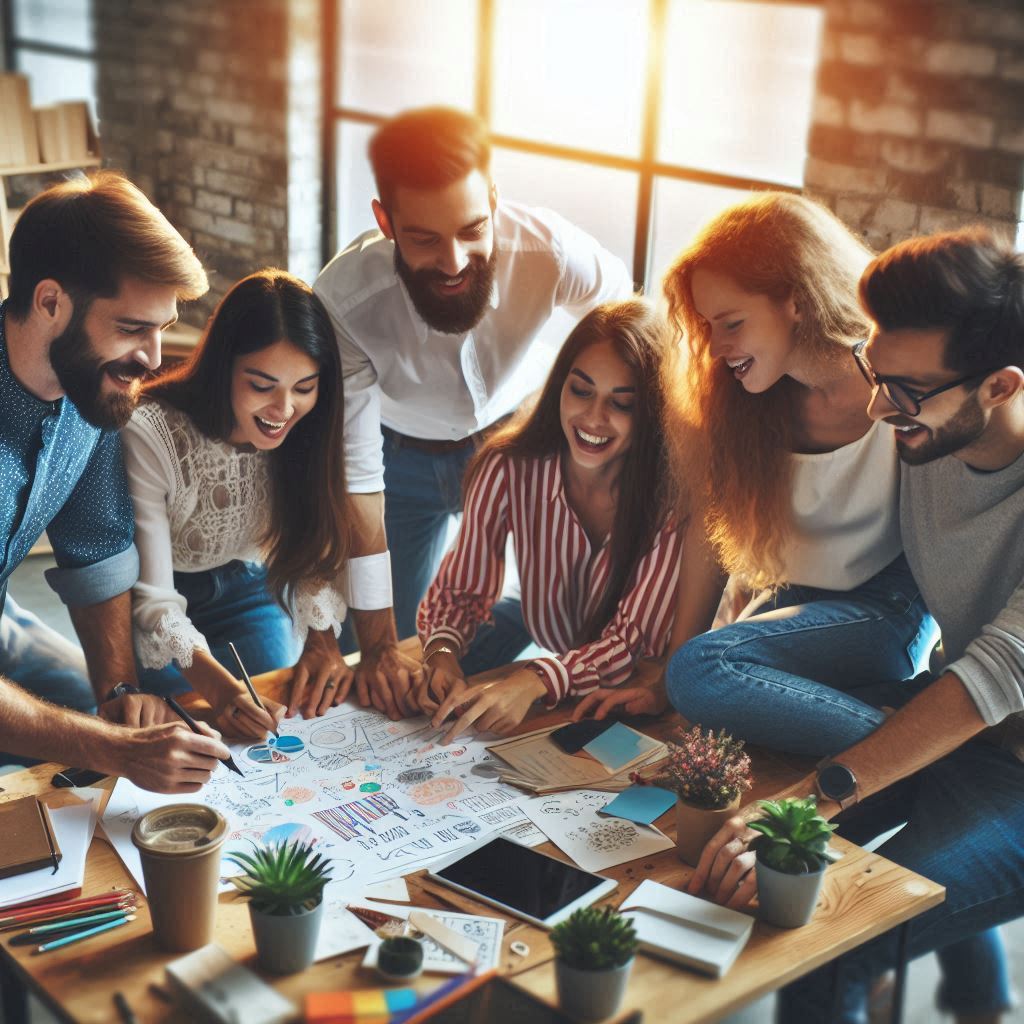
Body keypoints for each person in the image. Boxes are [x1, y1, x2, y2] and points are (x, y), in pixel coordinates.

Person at [688, 227, 1024, 1024]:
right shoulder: (928, 429)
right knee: (759, 874)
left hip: (1010, 765)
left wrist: (815, 797)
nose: (878, 406)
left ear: (1001, 387)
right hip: (955, 726)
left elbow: (994, 674)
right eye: (876, 372)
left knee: (831, 933)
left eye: (903, 392)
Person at [577, 193, 936, 738]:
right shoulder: (738, 400)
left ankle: (920, 752)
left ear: (795, 300)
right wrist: (666, 681)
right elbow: (709, 538)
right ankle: (881, 720)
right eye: (707, 326)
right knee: (701, 698)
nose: (717, 348)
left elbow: (954, 530)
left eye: (732, 323)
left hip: (888, 606)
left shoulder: (896, 379)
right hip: (793, 599)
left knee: (705, 676)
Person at [314, 106, 633, 719]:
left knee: (568, 617)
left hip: (525, 442)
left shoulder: (551, 250)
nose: (455, 261)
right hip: (396, 461)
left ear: (493, 197)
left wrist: (603, 424)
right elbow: (356, 472)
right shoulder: (343, 300)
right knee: (382, 663)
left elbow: (631, 325)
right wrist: (380, 646)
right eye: (425, 239)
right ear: (385, 222)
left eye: (470, 229)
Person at [0, 170, 229, 790]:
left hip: (5, 620)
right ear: (51, 302)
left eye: (162, 327)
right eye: (133, 328)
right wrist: (117, 751)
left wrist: (118, 691)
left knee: (91, 716)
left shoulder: (91, 390)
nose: (154, 358)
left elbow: (97, 549)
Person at [412, 299, 682, 740]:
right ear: (560, 385)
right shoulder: (506, 465)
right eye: (581, 390)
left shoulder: (670, 495)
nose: (594, 418)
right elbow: (460, 590)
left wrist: (533, 681)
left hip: (645, 673)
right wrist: (440, 652)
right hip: (548, 624)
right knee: (423, 688)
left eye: (622, 403)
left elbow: (631, 644)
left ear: (651, 412)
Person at [124, 271, 358, 733]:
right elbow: (153, 602)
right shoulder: (152, 433)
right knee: (182, 729)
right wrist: (222, 692)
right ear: (223, 365)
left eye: (304, 388)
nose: (283, 409)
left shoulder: (310, 430)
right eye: (262, 384)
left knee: (278, 716)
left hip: (251, 590)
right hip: (158, 602)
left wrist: (321, 637)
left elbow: (313, 546)